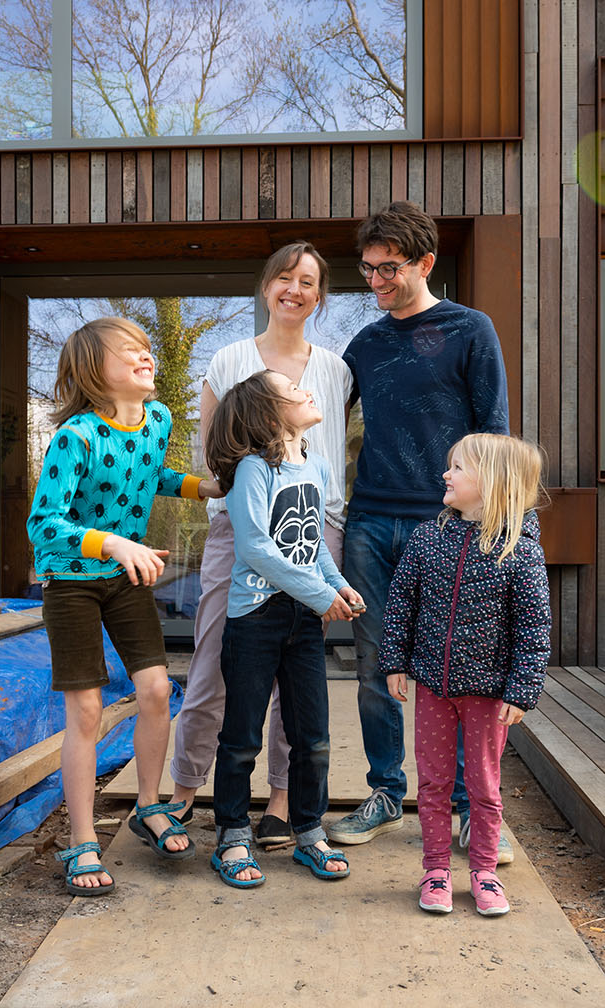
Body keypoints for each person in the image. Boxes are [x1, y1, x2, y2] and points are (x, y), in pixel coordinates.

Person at [329, 201, 514, 861]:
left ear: (425, 263)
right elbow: (316, 416)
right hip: (371, 522)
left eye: (390, 269)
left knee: (455, 669)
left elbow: (494, 434)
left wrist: (493, 523)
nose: (376, 281)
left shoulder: (470, 330)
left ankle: (470, 808)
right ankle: (384, 791)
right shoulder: (365, 344)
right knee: (378, 664)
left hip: (447, 525)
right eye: (368, 269)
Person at [26, 315, 220, 896]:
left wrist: (201, 487)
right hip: (73, 580)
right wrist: (112, 541)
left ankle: (148, 805)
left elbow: (149, 475)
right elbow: (44, 525)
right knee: (85, 710)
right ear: (95, 372)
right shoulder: (77, 436)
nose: (145, 357)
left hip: (128, 575)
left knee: (158, 690)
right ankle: (81, 839)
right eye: (128, 351)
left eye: (145, 349)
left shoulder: (157, 419)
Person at [168, 241, 352, 850]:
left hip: (314, 527)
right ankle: (186, 789)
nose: (295, 289)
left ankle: (280, 802)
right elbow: (213, 448)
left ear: (319, 296)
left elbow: (322, 453)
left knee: (296, 673)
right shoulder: (228, 359)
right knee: (214, 655)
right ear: (266, 286)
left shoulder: (335, 368)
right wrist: (241, 498)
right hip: (240, 526)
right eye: (285, 277)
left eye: (308, 281)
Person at [201, 371, 364, 887]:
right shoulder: (254, 469)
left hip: (303, 621)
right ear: (271, 414)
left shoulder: (314, 463)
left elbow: (311, 544)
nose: (306, 390)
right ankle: (231, 834)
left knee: (312, 737)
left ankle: (308, 831)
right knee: (242, 736)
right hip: (255, 618)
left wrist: (337, 586)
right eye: (292, 389)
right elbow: (255, 548)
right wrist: (319, 596)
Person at [381, 434, 550, 916]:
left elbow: (533, 624)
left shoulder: (518, 549)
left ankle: (484, 874)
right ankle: (435, 869)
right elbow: (401, 604)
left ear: (491, 483)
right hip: (434, 686)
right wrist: (394, 660)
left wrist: (522, 688)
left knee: (483, 785)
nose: (445, 475)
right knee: (433, 782)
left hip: (488, 695)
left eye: (457, 467)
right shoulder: (428, 537)